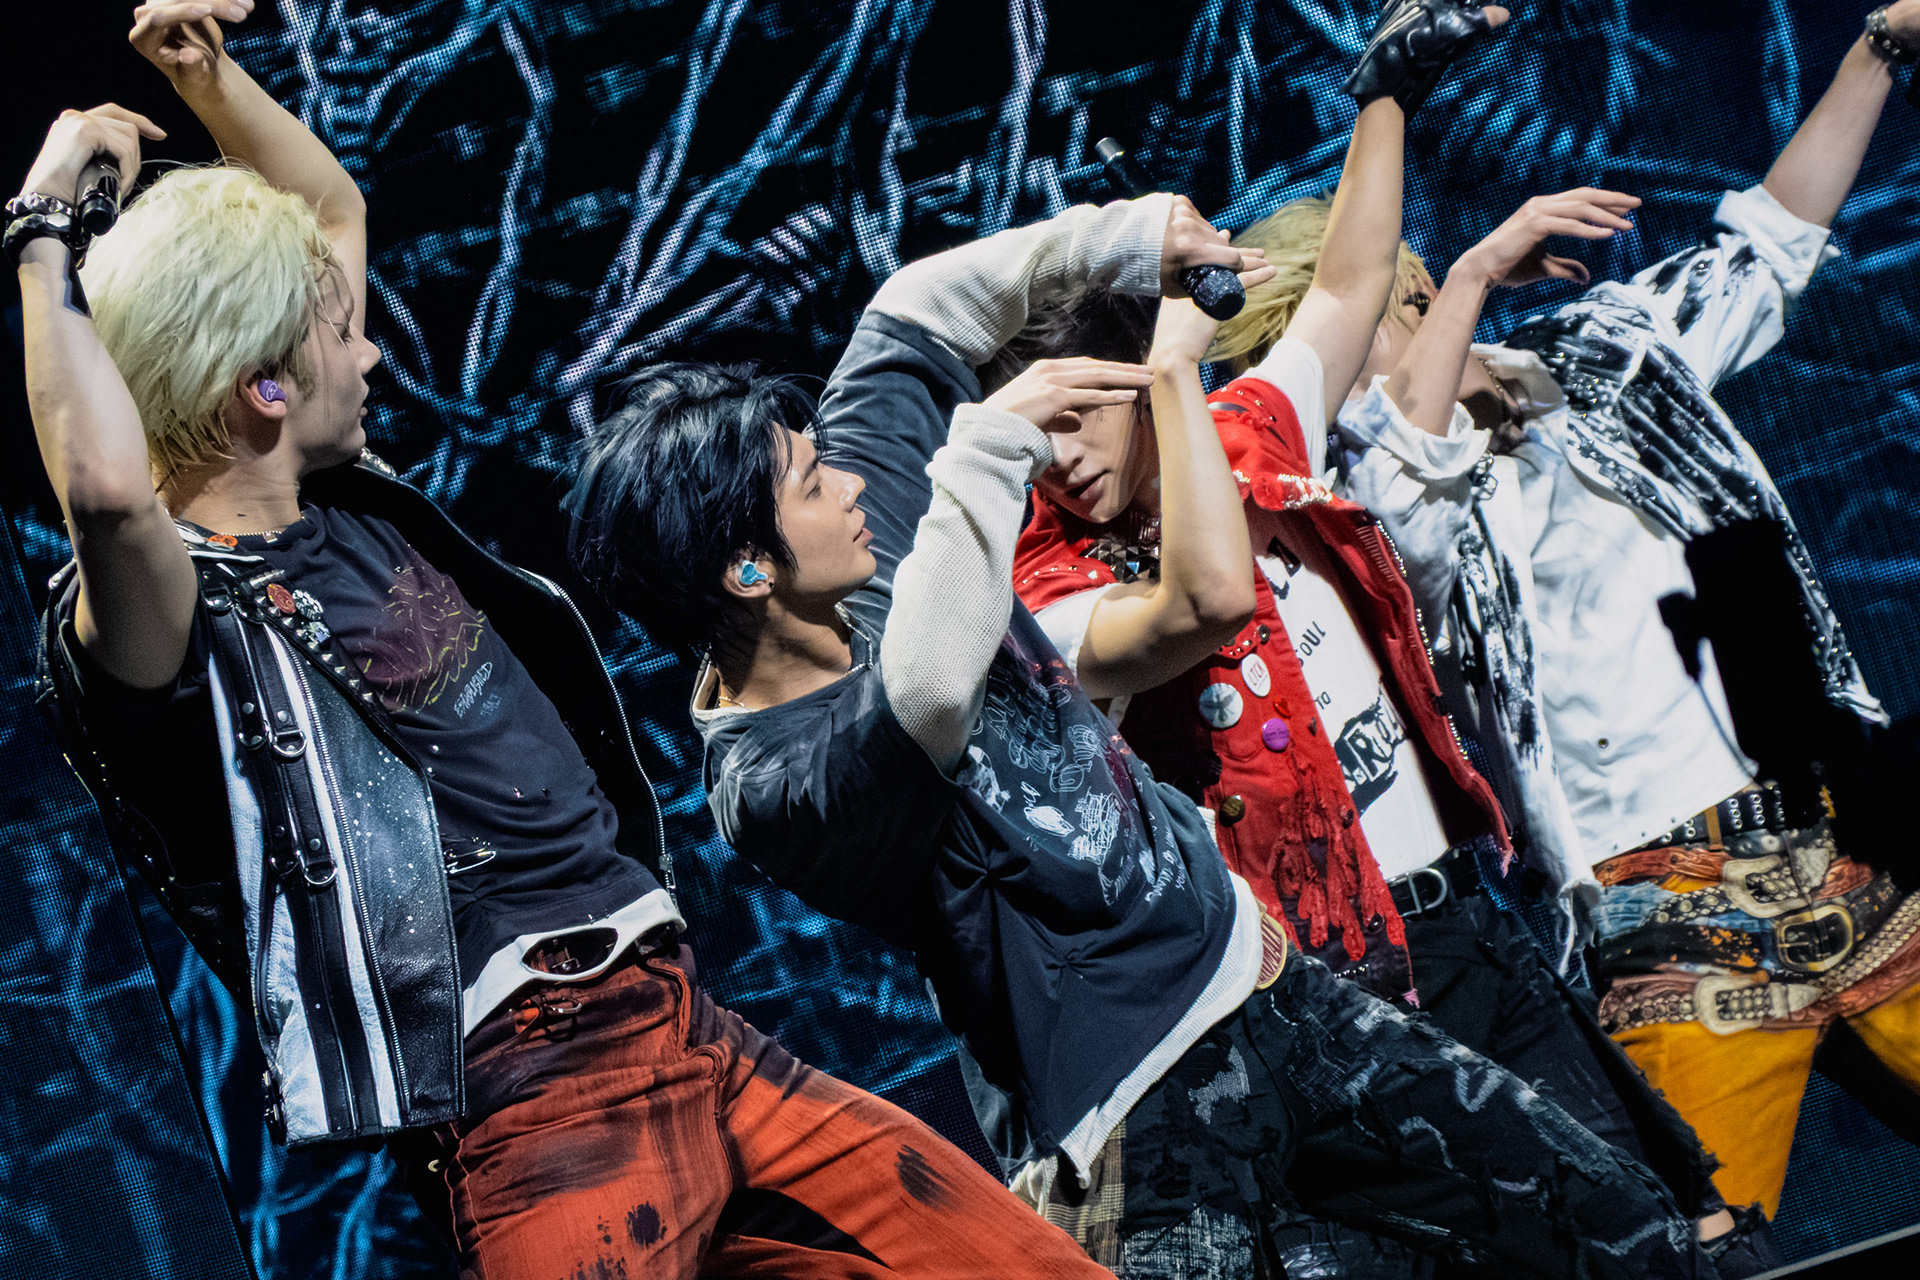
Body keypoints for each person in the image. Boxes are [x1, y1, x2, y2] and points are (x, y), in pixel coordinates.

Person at [569, 9, 1718, 1276]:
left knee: (1623, 1228)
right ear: (748, 572)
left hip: (1274, 983)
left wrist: (1117, 236)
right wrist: (994, 440)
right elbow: (932, 692)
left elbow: (911, 310)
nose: (848, 482)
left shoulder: (894, 520)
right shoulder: (779, 779)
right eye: (810, 483)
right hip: (1130, 1115)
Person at [20, 5, 1123, 1278]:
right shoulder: (180, 623)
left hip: (689, 1027)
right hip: (539, 1104)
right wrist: (42, 226)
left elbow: (328, 210)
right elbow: (108, 494)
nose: (370, 344)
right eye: (334, 332)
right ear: (262, 387)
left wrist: (210, 83)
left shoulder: (348, 507)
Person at [1237, 0, 1920, 1236]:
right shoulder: (1356, 513)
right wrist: (1472, 280)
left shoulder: (1605, 352)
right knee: (1699, 1248)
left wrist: (1881, 49)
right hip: (1663, 920)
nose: (1336, 378)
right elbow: (1413, 484)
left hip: (1838, 831)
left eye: (1367, 317)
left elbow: (1769, 246)